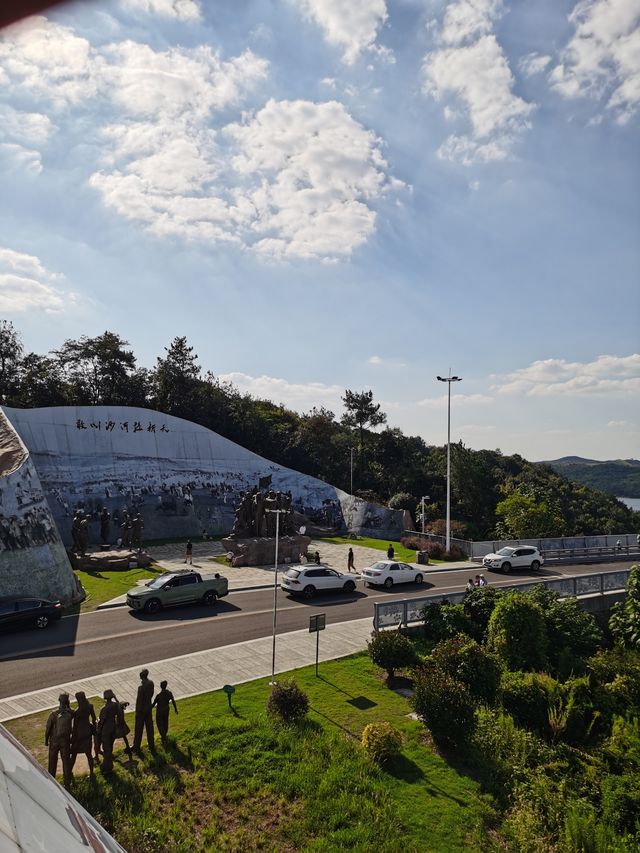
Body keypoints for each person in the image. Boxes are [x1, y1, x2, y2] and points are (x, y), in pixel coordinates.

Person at [45, 693, 75, 789]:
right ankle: (67, 783)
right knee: (66, 761)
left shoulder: (53, 714)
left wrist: (46, 740)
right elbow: (72, 712)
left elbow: (48, 729)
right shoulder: (70, 713)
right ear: (67, 702)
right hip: (65, 741)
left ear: (59, 700)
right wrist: (68, 706)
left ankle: (51, 781)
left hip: (54, 741)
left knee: (52, 761)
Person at [71, 691, 97, 779]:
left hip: (79, 734)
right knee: (89, 754)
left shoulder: (77, 711)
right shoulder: (90, 706)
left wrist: (73, 738)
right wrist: (95, 729)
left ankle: (69, 772)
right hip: (88, 732)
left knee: (74, 753)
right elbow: (94, 719)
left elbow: (75, 726)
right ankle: (92, 773)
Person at [97, 689, 120, 774]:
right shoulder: (115, 705)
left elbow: (102, 721)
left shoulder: (104, 708)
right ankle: (109, 765)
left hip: (106, 730)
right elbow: (119, 707)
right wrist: (116, 698)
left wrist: (98, 730)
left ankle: (107, 766)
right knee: (110, 747)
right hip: (113, 727)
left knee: (106, 748)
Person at [133, 668, 155, 754]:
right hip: (148, 708)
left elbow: (139, 701)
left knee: (139, 728)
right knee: (150, 727)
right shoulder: (151, 683)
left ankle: (136, 746)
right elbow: (151, 695)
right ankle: (151, 744)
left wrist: (137, 711)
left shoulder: (141, 688)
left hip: (141, 711)